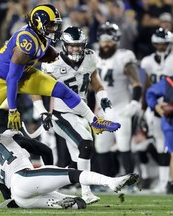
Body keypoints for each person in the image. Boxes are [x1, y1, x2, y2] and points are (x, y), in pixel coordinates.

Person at [0, 4, 121, 138]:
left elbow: (36, 56)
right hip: (0, 80)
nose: (54, 29)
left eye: (55, 24)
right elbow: (11, 78)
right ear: (38, 24)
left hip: (24, 74)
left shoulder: (42, 36)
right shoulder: (26, 41)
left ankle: (94, 122)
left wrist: (49, 56)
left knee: (62, 91)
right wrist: (12, 110)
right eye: (50, 25)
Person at [32, 26, 113, 204]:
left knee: (77, 159)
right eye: (72, 46)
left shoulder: (90, 58)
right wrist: (42, 111)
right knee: (85, 144)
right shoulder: (52, 63)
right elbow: (36, 89)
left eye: (78, 45)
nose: (76, 49)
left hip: (82, 114)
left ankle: (42, 188)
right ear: (64, 45)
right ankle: (86, 192)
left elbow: (98, 85)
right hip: (62, 114)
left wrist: (103, 98)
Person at [0, 130, 139, 209]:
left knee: (78, 205)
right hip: (24, 178)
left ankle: (57, 202)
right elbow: (45, 150)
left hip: (20, 198)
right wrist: (50, 169)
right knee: (73, 174)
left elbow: (8, 199)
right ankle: (111, 182)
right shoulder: (8, 139)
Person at [94, 22, 143, 179]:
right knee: (101, 146)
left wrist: (134, 103)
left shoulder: (124, 56)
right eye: (103, 40)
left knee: (124, 145)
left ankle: (130, 181)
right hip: (103, 110)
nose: (106, 44)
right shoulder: (93, 57)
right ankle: (108, 180)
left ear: (116, 41)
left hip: (121, 108)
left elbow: (136, 84)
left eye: (110, 40)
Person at [140, 28, 173, 193]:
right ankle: (164, 182)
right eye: (159, 43)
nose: (161, 46)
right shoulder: (147, 61)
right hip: (156, 107)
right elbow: (146, 85)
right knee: (161, 145)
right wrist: (144, 108)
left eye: (164, 43)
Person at [146, 53, 173, 195]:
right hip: (171, 123)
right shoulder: (168, 82)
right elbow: (150, 93)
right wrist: (156, 107)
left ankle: (172, 182)